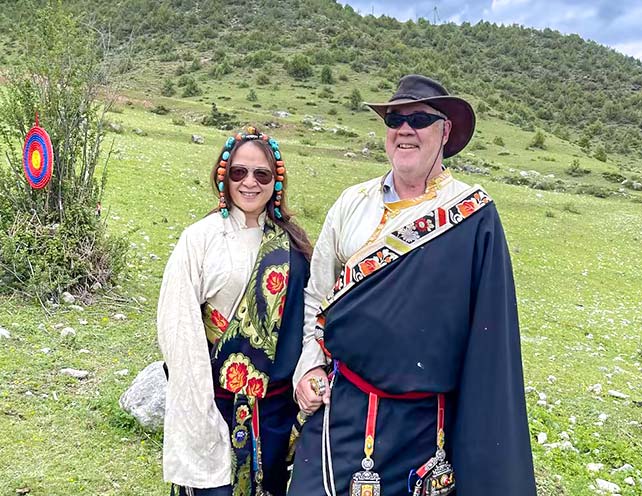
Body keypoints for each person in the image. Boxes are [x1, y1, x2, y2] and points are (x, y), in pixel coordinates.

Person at [288, 75, 536, 495]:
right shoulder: (352, 202)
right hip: (343, 404)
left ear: (445, 131)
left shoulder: (473, 216)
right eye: (395, 120)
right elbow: (319, 294)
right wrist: (309, 363)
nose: (404, 129)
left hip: (425, 427)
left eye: (420, 118)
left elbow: (489, 335)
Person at [157, 126, 312, 496]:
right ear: (224, 174)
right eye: (240, 172)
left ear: (276, 181)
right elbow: (179, 329)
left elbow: (307, 318)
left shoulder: (292, 243)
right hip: (213, 402)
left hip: (273, 412)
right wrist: (199, 413)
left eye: (262, 174)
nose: (250, 183)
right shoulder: (200, 239)